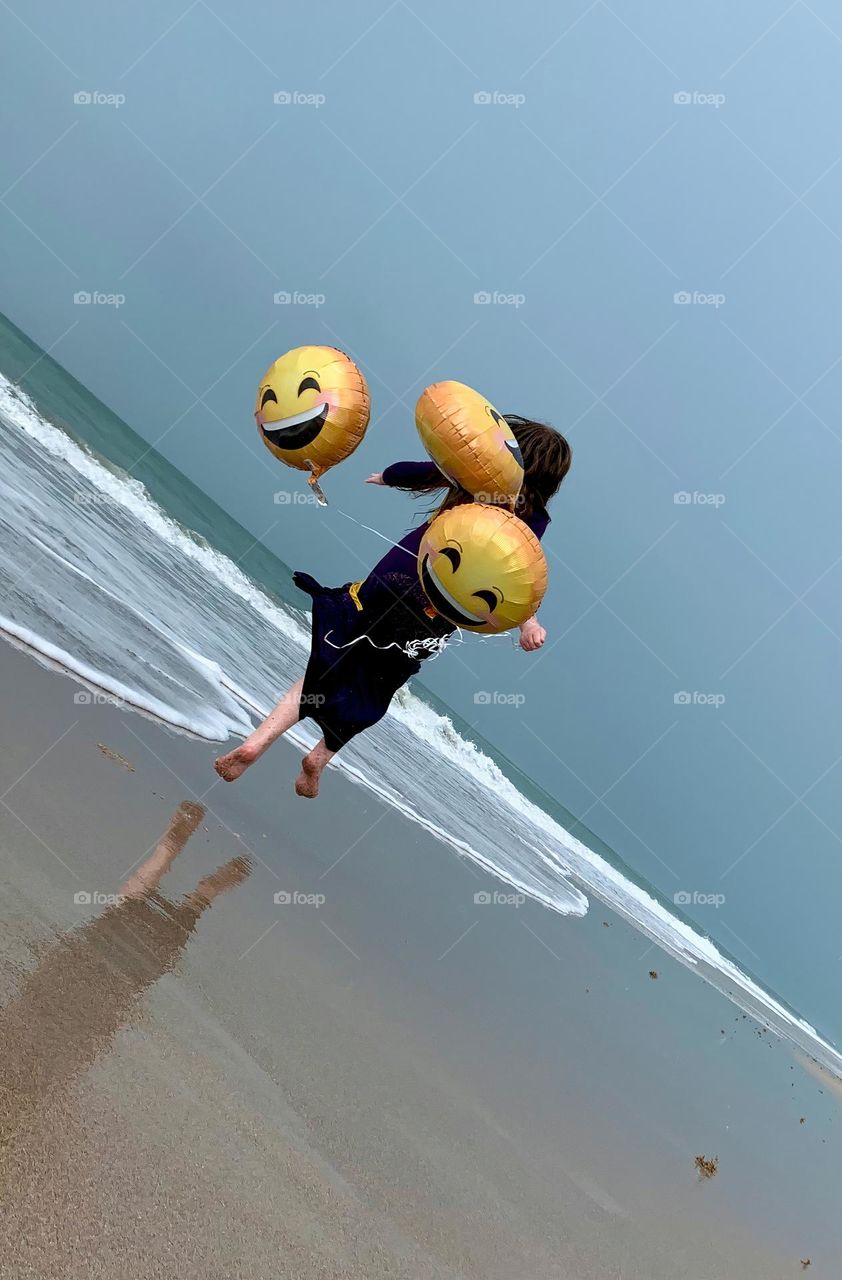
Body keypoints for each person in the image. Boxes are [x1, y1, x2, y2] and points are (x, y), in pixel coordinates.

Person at [214, 416, 571, 798]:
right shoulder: (535, 520)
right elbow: (514, 572)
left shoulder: (477, 475)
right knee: (377, 684)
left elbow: (419, 472)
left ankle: (257, 741)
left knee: (328, 665)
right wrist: (527, 623)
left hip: (395, 578)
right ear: (551, 480)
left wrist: (387, 475)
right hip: (435, 612)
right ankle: (319, 757)